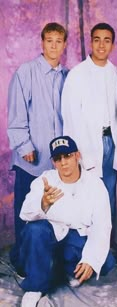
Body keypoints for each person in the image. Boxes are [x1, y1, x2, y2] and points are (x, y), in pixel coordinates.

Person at [14, 135, 116, 307]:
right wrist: (43, 204)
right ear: (54, 162)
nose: (63, 162)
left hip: (74, 240)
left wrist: (90, 259)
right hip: (49, 238)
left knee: (106, 262)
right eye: (58, 158)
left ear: (77, 156)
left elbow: (102, 225)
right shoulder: (45, 180)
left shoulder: (95, 184)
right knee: (35, 230)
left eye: (67, 156)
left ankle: (63, 268)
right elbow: (25, 214)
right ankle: (35, 287)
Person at [7, 22, 68, 261]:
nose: (53, 45)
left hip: (58, 161)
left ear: (64, 45)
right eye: (49, 40)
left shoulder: (67, 76)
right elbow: (16, 111)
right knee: (27, 210)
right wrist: (24, 145)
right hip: (32, 158)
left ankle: (48, 259)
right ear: (42, 42)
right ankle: (22, 261)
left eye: (58, 41)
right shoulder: (26, 71)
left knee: (54, 211)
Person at [61, 23, 117, 223]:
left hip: (111, 141)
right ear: (91, 42)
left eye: (107, 40)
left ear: (112, 45)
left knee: (109, 193)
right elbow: (71, 118)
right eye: (97, 39)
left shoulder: (115, 72)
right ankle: (83, 245)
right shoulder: (77, 74)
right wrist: (81, 153)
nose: (102, 45)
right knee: (88, 193)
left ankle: (106, 246)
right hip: (86, 143)